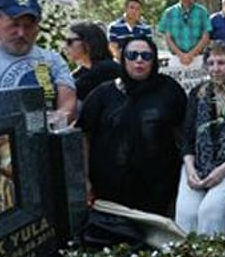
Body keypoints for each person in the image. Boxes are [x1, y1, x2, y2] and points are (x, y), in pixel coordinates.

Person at [77, 35, 187, 216]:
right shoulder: (102, 94)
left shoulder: (169, 89)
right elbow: (84, 136)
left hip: (159, 188)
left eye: (146, 56)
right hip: (110, 191)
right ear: (122, 58)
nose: (139, 61)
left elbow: (183, 133)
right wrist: (85, 179)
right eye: (132, 55)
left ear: (154, 60)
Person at [175, 40, 225, 234]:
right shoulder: (198, 93)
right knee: (187, 214)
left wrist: (222, 171)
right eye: (211, 63)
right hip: (198, 165)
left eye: (221, 63)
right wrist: (190, 168)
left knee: (210, 211)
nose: (215, 69)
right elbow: (187, 137)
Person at [157, 0, 211, 69]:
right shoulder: (169, 13)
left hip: (198, 59)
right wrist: (181, 55)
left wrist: (191, 55)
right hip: (176, 59)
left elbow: (206, 36)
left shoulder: (202, 12)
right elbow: (168, 37)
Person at [64, 22, 121, 102]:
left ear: (87, 42)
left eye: (69, 41)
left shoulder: (107, 69)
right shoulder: (78, 74)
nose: (64, 46)